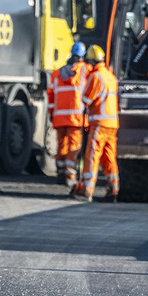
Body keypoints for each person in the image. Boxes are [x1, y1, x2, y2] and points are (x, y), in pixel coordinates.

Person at [73, 44, 120, 203]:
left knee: (92, 156)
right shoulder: (110, 76)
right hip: (112, 125)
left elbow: (86, 100)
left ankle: (87, 190)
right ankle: (113, 189)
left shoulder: (96, 77)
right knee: (109, 157)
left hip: (99, 124)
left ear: (91, 62)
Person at [47, 41, 90, 190]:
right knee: (74, 147)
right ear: (82, 56)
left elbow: (51, 96)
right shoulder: (85, 70)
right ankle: (70, 175)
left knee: (62, 145)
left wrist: (51, 114)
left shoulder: (56, 73)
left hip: (59, 117)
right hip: (76, 118)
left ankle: (60, 172)